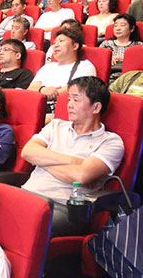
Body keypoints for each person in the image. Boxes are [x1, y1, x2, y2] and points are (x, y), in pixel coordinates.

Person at [23, 76, 124, 236]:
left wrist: (41, 161)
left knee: (22, 225)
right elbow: (27, 152)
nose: (69, 104)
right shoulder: (56, 125)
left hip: (64, 207)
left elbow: (80, 176)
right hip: (27, 194)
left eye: (76, 100)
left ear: (96, 107)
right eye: (69, 99)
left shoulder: (111, 142)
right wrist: (73, 161)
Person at [28, 25, 97, 114]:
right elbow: (30, 88)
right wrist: (43, 90)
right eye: (54, 43)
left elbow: (76, 90)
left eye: (61, 41)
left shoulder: (85, 66)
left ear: (75, 46)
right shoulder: (48, 67)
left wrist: (51, 93)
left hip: (63, 111)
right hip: (37, 108)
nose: (55, 45)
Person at [99, 14, 143, 81]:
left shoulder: (139, 46)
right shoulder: (106, 44)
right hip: (108, 77)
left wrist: (124, 60)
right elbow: (98, 62)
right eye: (115, 25)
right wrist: (108, 58)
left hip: (129, 79)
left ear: (132, 28)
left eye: (122, 25)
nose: (118, 28)